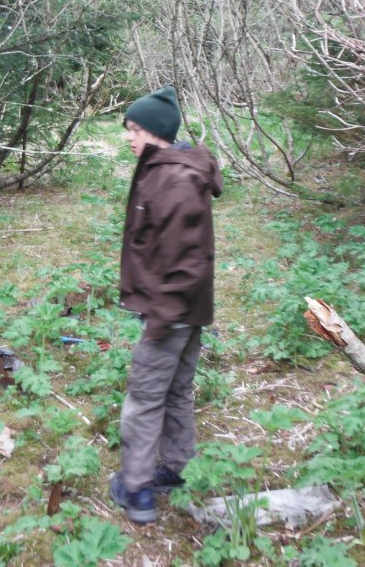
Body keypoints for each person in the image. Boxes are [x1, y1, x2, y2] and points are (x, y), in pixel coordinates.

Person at [109, 85, 223, 524]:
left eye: (134, 128)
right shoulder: (165, 167)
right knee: (176, 390)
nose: (128, 136)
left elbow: (186, 258)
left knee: (144, 397)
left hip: (172, 311)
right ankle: (178, 468)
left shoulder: (172, 178)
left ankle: (136, 490)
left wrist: (161, 316)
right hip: (187, 308)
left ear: (155, 131)